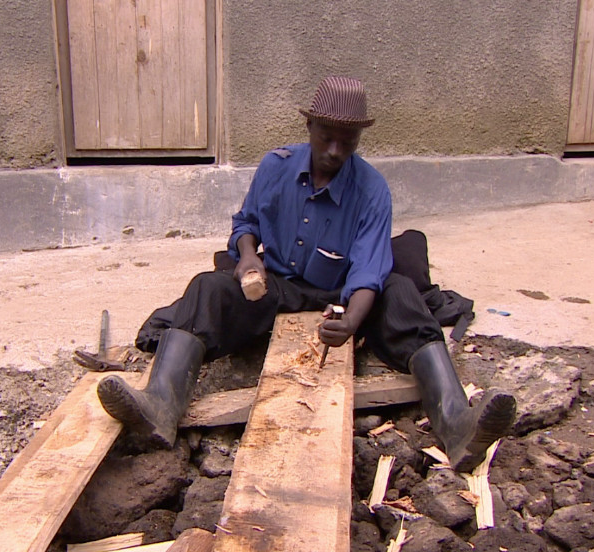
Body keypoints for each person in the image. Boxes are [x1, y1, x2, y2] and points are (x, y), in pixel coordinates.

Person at [97, 76, 516, 472]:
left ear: (358, 139)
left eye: (347, 141)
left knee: (403, 293)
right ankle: (159, 405)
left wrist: (352, 319)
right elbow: (246, 225)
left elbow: (369, 269)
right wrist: (247, 257)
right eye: (325, 136)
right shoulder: (274, 166)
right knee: (206, 288)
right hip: (279, 285)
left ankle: (457, 423)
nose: (335, 149)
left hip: (343, 290)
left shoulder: (372, 189)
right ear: (309, 124)